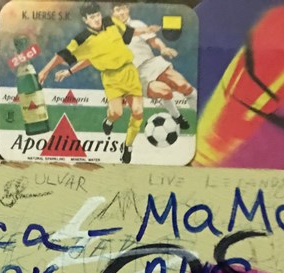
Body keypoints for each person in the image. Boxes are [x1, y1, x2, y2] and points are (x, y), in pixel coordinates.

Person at [37, 2, 145, 163]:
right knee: (116, 113)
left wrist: (151, 31)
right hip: (111, 78)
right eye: (92, 17)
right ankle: (109, 121)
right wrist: (46, 70)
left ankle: (128, 146)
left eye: (97, 15)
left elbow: (131, 34)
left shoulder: (111, 22)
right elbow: (65, 56)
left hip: (129, 72)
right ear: (85, 20)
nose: (96, 19)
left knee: (138, 112)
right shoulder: (82, 39)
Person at [111, 3, 197, 130]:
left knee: (185, 86)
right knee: (165, 92)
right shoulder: (109, 31)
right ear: (112, 13)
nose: (121, 12)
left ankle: (203, 117)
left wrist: (163, 48)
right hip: (136, 75)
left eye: (123, 8)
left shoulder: (137, 24)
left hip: (152, 63)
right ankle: (177, 116)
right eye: (118, 10)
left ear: (128, 9)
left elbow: (152, 40)